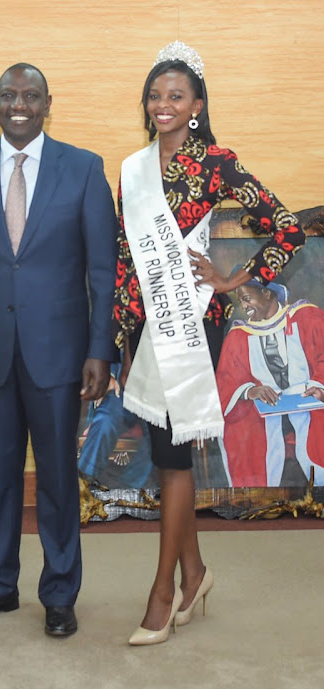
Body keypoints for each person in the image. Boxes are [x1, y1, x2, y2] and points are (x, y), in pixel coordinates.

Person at [114, 41, 306, 645]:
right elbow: (126, 258)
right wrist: (122, 334)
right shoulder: (134, 167)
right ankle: (195, 574)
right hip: (147, 326)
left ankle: (164, 592)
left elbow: (287, 227)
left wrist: (232, 279)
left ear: (196, 104)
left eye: (176, 96)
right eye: (155, 96)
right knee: (171, 455)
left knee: (173, 458)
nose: (163, 105)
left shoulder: (216, 163)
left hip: (194, 322)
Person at [0, 63, 118, 638]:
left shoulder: (83, 168)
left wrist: (99, 348)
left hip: (60, 354)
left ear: (46, 103)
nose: (19, 103)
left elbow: (101, 270)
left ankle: (60, 592)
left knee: (58, 477)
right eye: (9, 95)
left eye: (30, 95)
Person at [216, 280, 324, 486]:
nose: (244, 306)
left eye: (247, 299)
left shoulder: (306, 317)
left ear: (266, 294)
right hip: (264, 410)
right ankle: (257, 494)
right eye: (241, 301)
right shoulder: (238, 336)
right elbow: (226, 381)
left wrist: (319, 385)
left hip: (309, 398)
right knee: (242, 425)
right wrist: (250, 391)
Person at [78, 363, 155, 490]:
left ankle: (128, 491)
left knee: (160, 437)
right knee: (104, 421)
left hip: (157, 384)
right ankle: (84, 487)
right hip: (120, 384)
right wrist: (107, 374)